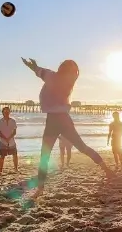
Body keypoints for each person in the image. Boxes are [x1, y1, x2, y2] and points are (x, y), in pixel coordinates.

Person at [21, 57, 114, 198]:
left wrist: (32, 65)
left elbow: (38, 71)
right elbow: (72, 74)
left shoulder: (52, 76)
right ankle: (106, 170)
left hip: (52, 120)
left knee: (44, 155)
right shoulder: (70, 83)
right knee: (82, 147)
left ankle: (40, 188)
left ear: (61, 68)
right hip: (64, 119)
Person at [0, 106, 18, 173]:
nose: (6, 113)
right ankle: (0, 170)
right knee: (2, 156)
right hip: (3, 141)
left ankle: (16, 168)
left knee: (15, 155)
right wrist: (5, 138)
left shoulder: (13, 121)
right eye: (5, 111)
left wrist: (9, 138)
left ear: (9, 112)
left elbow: (14, 132)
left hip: (12, 141)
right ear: (2, 112)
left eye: (8, 111)